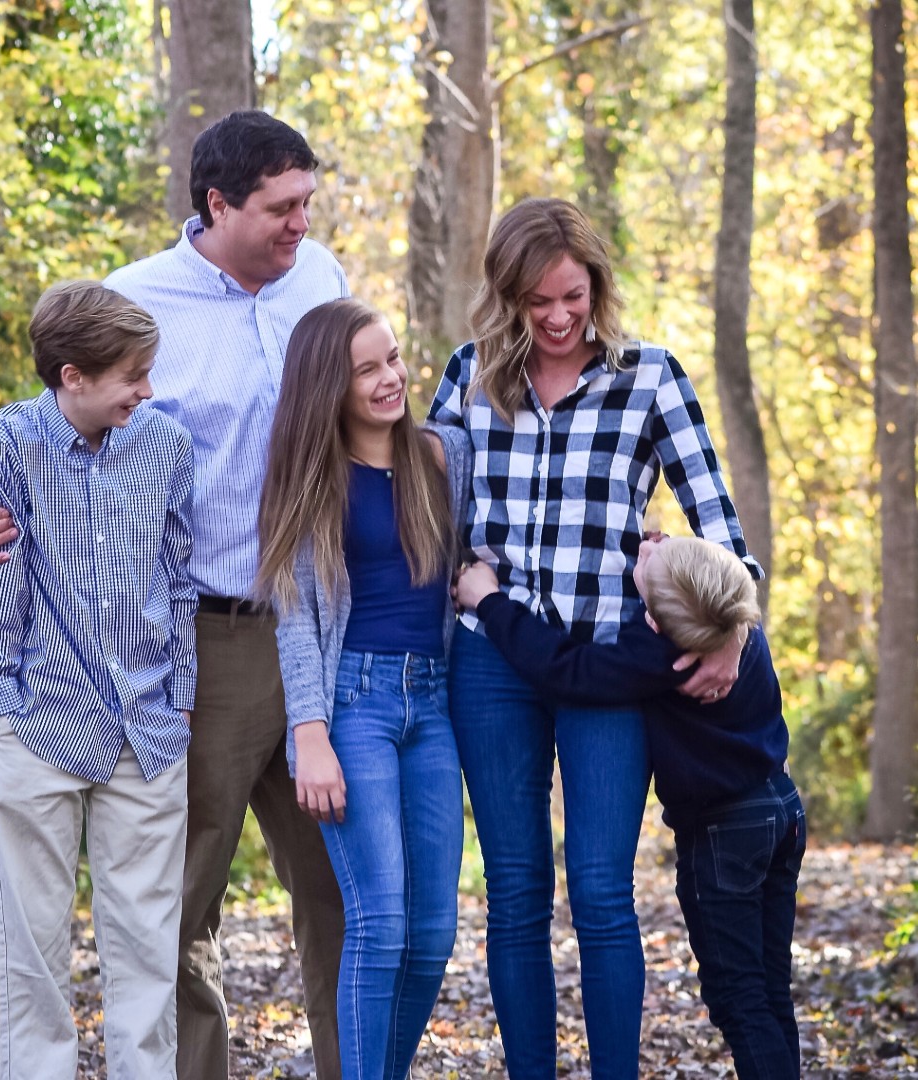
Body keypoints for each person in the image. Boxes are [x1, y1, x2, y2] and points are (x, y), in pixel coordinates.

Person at [0, 111, 350, 1080]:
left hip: (320, 626)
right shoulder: (133, 304)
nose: (301, 224)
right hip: (191, 644)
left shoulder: (325, 282)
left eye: (307, 204)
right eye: (280, 208)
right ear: (217, 204)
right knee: (174, 911)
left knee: (342, 895)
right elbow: (43, 456)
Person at [427, 197, 763, 1079]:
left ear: (597, 286)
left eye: (571, 295)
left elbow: (720, 532)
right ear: (505, 297)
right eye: (535, 301)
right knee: (515, 895)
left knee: (604, 895)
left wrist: (731, 632)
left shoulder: (648, 378)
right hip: (492, 663)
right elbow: (422, 511)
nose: (557, 317)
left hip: (607, 669)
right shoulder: (466, 377)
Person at [454, 536, 805, 1080]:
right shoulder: (734, 625)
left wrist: (490, 601)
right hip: (781, 806)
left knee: (739, 998)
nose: (649, 544)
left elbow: (566, 670)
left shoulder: (662, 653)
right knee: (768, 986)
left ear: (659, 623)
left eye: (648, 563)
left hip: (723, 835)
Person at [0, 280, 198, 1079]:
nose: (148, 389)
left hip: (148, 728)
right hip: (40, 723)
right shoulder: (8, 444)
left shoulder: (165, 447)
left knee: (147, 949)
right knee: (32, 945)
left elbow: (179, 578)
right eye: (133, 374)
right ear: (73, 375)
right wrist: (1, 701)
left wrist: (183, 695)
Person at [256, 299, 470, 1080]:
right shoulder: (314, 479)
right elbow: (295, 616)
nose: (391, 379)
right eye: (368, 369)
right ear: (329, 387)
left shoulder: (443, 456)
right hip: (355, 703)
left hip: (434, 703)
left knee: (435, 930)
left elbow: (500, 538)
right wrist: (308, 732)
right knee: (379, 923)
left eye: (393, 359)